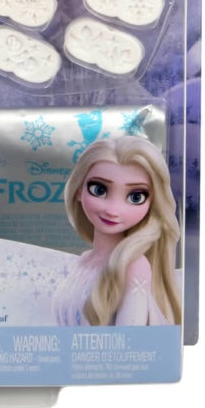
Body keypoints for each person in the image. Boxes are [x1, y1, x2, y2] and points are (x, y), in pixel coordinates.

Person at [53, 136, 181, 326]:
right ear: (79, 190)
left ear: (153, 203)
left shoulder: (133, 265)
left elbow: (130, 338)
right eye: (99, 190)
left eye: (136, 197)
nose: (113, 210)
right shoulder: (82, 261)